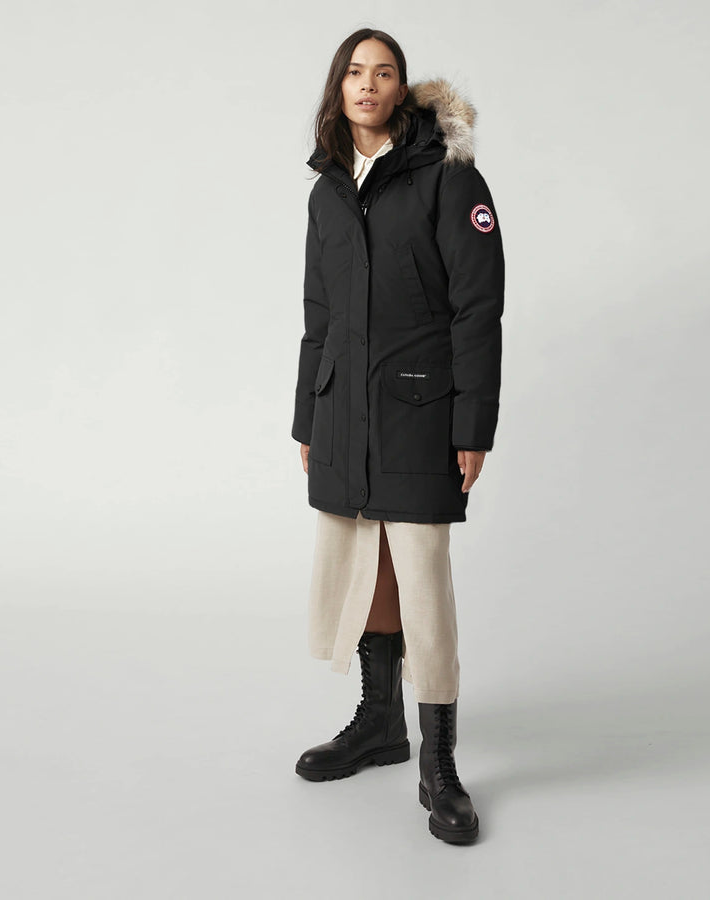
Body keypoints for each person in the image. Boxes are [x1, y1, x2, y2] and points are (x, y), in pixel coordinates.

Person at [289, 28, 504, 845]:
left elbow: (478, 306)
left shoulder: (449, 177)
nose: (368, 84)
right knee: (364, 564)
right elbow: (318, 317)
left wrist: (472, 422)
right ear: (337, 87)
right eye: (355, 71)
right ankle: (379, 723)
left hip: (421, 409)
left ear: (402, 88)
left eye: (383, 73)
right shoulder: (327, 191)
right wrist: (308, 416)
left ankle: (438, 761)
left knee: (420, 575)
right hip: (343, 409)